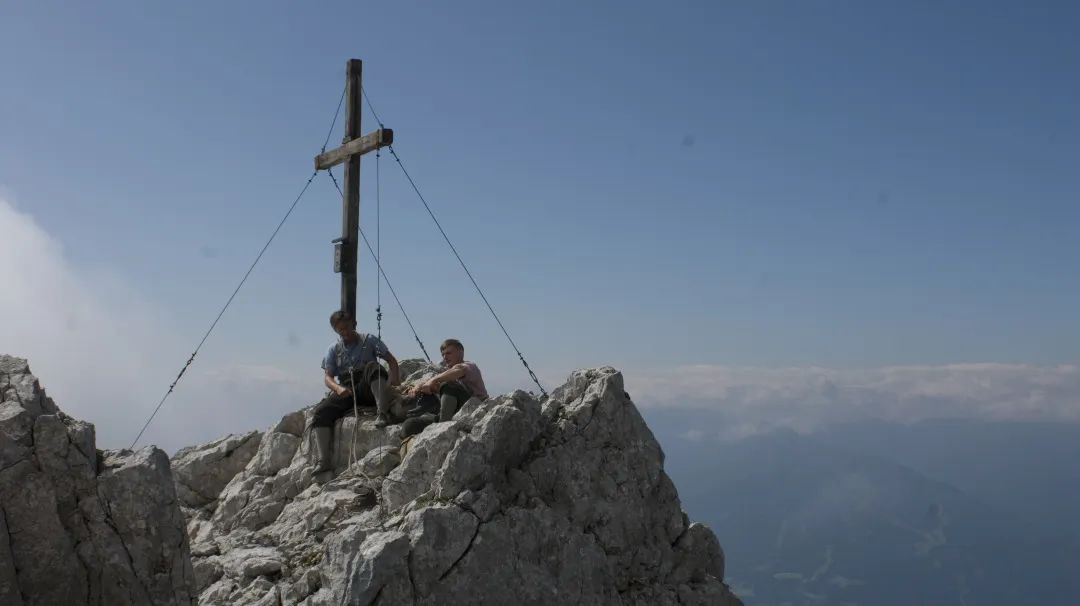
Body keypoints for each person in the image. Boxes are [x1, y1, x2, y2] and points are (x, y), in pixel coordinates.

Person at [310, 310, 400, 473]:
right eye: (340, 330)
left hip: (368, 385)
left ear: (354, 325)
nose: (344, 332)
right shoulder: (333, 349)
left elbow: (391, 360)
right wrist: (338, 388)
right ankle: (324, 461)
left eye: (347, 328)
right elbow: (328, 377)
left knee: (374, 367)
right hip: (347, 388)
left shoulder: (369, 340)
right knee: (321, 413)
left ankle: (382, 412)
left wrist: (393, 382)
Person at [407, 338, 488, 422]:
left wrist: (433, 381)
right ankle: (427, 412)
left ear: (461, 352)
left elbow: (457, 371)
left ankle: (443, 423)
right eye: (443, 355)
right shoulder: (447, 371)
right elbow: (429, 379)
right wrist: (417, 387)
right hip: (455, 411)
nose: (445, 357)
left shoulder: (470, 366)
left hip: (476, 409)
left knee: (448, 385)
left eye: (448, 353)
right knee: (410, 425)